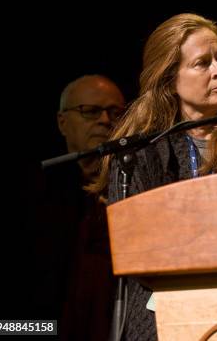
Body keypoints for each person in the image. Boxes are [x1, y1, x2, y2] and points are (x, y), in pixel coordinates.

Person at [89, 13, 217, 340]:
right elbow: (139, 255)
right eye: (203, 63)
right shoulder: (137, 155)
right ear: (169, 78)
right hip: (160, 322)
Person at [32, 75, 126, 340]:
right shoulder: (37, 190)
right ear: (62, 122)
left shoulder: (135, 185)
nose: (106, 121)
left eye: (115, 112)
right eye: (91, 111)